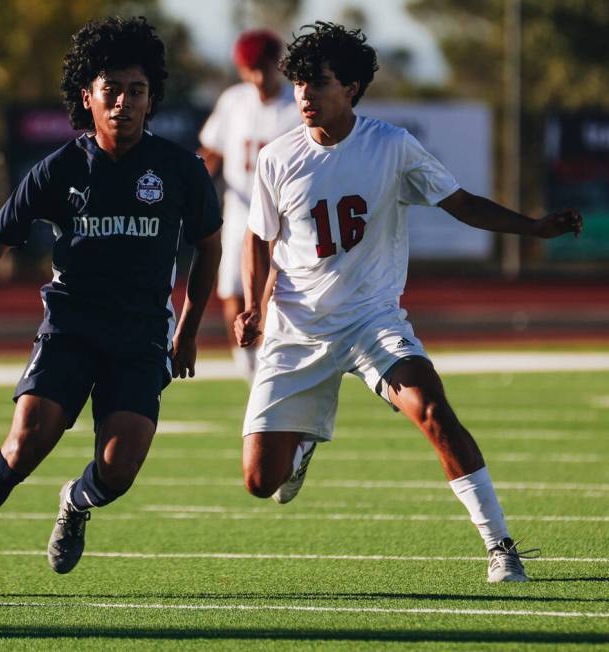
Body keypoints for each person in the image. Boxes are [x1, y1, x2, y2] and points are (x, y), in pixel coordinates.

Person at [235, 21, 582, 583]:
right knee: (259, 483)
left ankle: (500, 546)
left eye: (318, 83)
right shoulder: (277, 157)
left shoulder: (391, 146)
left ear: (350, 89)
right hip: (297, 329)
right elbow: (258, 235)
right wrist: (253, 304)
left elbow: (462, 204)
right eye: (299, 83)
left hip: (372, 321)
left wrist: (534, 229)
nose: (304, 95)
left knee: (433, 409)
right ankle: (298, 449)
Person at [0, 16, 221, 597]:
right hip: (70, 327)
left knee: (120, 469)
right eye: (112, 90)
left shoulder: (180, 169)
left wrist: (191, 330)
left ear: (151, 99)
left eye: (136, 91)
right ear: (88, 96)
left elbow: (208, 247)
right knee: (24, 443)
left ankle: (76, 500)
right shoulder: (58, 169)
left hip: (142, 335)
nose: (124, 103)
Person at [198, 29, 300, 382]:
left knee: (278, 291)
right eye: (249, 68)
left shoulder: (296, 105)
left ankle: (275, 366)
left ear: (277, 65)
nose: (257, 76)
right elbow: (213, 150)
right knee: (231, 290)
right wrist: (191, 182)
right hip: (240, 209)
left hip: (286, 215)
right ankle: (248, 368)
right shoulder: (234, 101)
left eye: (263, 67)